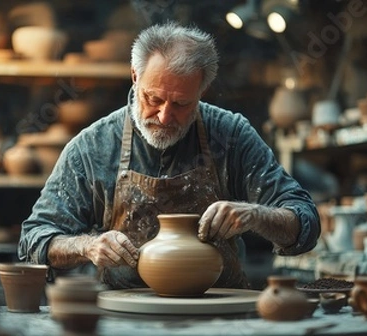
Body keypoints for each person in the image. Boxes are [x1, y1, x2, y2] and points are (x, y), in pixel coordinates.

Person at [18, 21, 320, 289]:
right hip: (126, 315)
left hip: (217, 313)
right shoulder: (92, 147)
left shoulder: (230, 136)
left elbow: (305, 223)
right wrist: (87, 246)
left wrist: (255, 214)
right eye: (154, 99)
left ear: (202, 90)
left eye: (181, 104)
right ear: (135, 76)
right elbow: (33, 240)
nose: (164, 116)